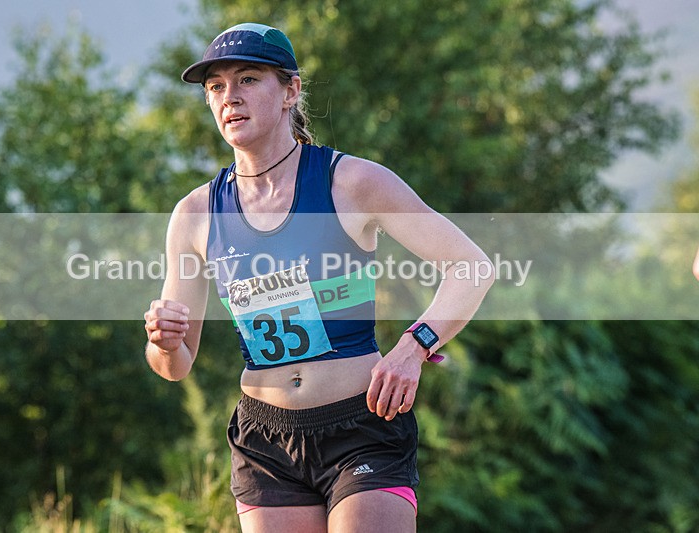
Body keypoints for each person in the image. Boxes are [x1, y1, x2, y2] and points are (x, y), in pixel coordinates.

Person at [143, 23, 494, 533]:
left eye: (248, 79)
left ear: (291, 90)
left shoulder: (351, 182)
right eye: (216, 86)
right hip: (266, 441)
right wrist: (163, 340)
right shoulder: (196, 213)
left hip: (362, 426)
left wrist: (414, 346)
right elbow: (174, 365)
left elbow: (472, 267)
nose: (229, 97)